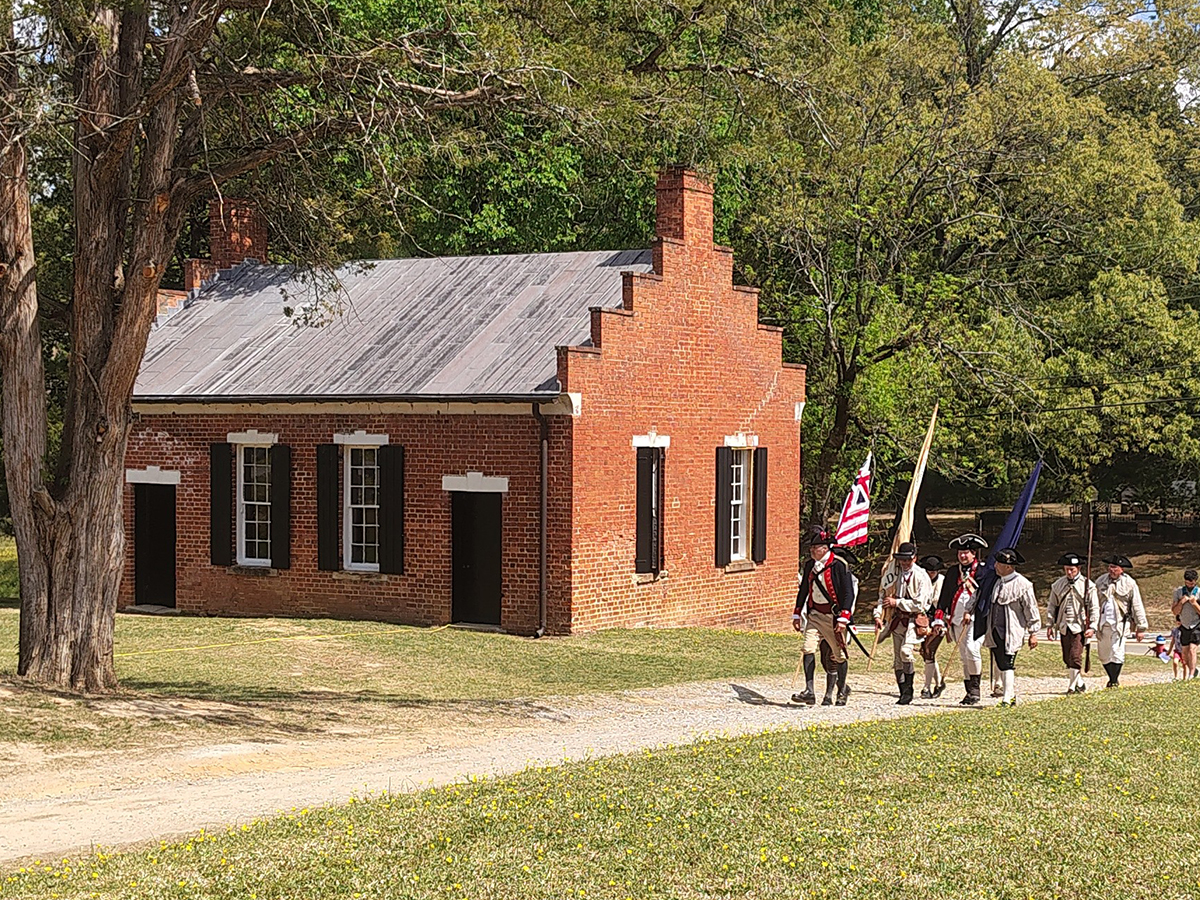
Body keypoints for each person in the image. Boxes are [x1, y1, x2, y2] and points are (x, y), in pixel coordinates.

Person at [969, 547, 1040, 707]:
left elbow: (1031, 608)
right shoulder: (995, 582)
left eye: (999, 564)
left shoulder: (1023, 584)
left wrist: (1033, 631)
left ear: (1008, 566)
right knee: (1000, 662)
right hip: (994, 629)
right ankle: (1010, 694)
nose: (995, 566)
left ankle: (1008, 697)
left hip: (1010, 630)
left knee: (1008, 662)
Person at [792, 528, 854, 706]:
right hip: (815, 615)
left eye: (816, 547)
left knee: (839, 655)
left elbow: (848, 593)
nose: (812, 551)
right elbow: (804, 589)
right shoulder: (810, 565)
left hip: (833, 617)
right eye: (811, 547)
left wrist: (844, 617)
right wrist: (797, 612)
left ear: (826, 548)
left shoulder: (839, 565)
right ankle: (809, 691)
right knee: (808, 647)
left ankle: (842, 690)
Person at [874, 541, 934, 705]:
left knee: (906, 652)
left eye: (908, 559)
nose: (905, 563)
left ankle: (909, 689)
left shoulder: (921, 576)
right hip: (897, 620)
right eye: (902, 559)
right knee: (897, 660)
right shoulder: (893, 574)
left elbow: (920, 604)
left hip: (914, 620)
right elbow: (883, 597)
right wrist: (878, 615)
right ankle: (903, 691)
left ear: (914, 558)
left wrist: (898, 602)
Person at [935, 533, 988, 705]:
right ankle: (969, 692)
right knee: (964, 655)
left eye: (966, 552)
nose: (963, 556)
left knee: (972, 650)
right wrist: (939, 618)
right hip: (957, 619)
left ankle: (976, 689)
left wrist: (972, 612)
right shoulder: (952, 572)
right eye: (960, 553)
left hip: (976, 619)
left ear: (974, 553)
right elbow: (944, 597)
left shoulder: (983, 571)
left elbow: (983, 595)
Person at [1045, 552, 1099, 695]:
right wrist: (1050, 624)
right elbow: (1052, 605)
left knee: (1076, 656)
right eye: (1067, 569)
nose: (1069, 572)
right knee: (1067, 657)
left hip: (1080, 626)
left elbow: (1094, 608)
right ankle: (1079, 683)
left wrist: (1093, 626)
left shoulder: (1088, 585)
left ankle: (1071, 686)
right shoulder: (1058, 585)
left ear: (1078, 569)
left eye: (1072, 570)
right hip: (1064, 625)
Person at [1094, 554, 1148, 687]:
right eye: (1110, 567)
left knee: (1117, 652)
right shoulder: (1100, 581)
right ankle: (1111, 676)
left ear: (1121, 570)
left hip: (1120, 624)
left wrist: (1141, 628)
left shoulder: (1129, 583)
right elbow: (1092, 602)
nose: (1112, 570)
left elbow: (1137, 605)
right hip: (1102, 623)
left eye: (1115, 567)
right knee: (1104, 654)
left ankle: (1113, 680)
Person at [918, 555, 947, 699]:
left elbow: (939, 602)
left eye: (934, 571)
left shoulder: (942, 582)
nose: (931, 573)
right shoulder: (921, 580)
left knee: (929, 650)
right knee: (925, 652)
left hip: (939, 619)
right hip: (924, 619)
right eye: (929, 570)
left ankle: (926, 687)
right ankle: (939, 682)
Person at [1170, 568, 1200, 679]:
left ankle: (1191, 675)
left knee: (1192, 649)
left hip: (1196, 624)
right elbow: (1174, 611)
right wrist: (1181, 602)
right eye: (1187, 583)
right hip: (1184, 625)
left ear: (1195, 581)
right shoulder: (1178, 592)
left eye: (1192, 583)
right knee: (1184, 652)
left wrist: (1194, 604)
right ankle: (1193, 669)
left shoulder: (1199, 592)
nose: (1190, 585)